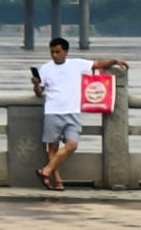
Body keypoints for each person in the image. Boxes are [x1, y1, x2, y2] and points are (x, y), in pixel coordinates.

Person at [32, 37, 125, 191]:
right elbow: (39, 93)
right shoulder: (45, 69)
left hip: (72, 111)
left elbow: (97, 64)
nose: (55, 55)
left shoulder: (76, 64)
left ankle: (46, 171)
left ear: (66, 52)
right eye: (52, 52)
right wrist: (36, 84)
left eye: (58, 52)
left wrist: (114, 61)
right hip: (52, 111)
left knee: (72, 145)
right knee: (53, 147)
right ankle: (57, 180)